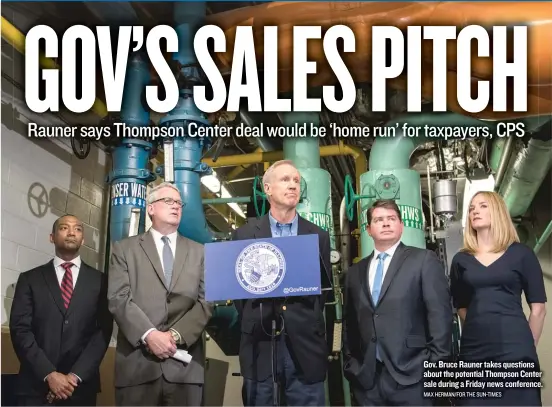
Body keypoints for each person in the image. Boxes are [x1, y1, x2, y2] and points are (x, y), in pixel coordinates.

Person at [231, 160, 332, 406]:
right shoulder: (244, 235)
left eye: (296, 181)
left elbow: (321, 291)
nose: (293, 186)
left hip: (305, 348)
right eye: (285, 180)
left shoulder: (317, 235)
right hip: (260, 345)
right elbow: (239, 295)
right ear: (267, 189)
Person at [107, 182, 213, 406]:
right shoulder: (124, 249)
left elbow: (206, 301)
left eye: (178, 203)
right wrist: (149, 335)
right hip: (138, 367)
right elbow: (118, 298)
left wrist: (174, 336)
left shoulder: (201, 252)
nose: (175, 206)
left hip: (185, 369)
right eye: (168, 201)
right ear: (151, 208)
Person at [342, 199, 452, 406]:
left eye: (391, 219)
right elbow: (350, 323)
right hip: (368, 380)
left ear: (401, 226)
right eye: (379, 219)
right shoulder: (354, 273)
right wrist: (351, 364)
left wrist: (435, 367)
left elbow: (440, 315)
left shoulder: (423, 260)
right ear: (368, 229)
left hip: (414, 376)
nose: (385, 223)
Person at [450, 191, 547, 406]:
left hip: (516, 349)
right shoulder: (460, 260)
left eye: (482, 206)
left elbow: (538, 309)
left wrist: (527, 345)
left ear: (497, 211)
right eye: (472, 208)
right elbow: (461, 307)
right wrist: (481, 325)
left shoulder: (522, 254)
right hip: (474, 352)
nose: (475, 211)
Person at [9, 214, 113, 406]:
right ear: (52, 237)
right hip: (34, 387)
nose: (72, 232)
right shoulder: (30, 279)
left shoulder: (101, 281)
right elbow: (20, 330)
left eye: (78, 229)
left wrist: (74, 377)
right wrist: (49, 374)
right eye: (64, 228)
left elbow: (103, 331)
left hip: (80, 388)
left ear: (83, 239)